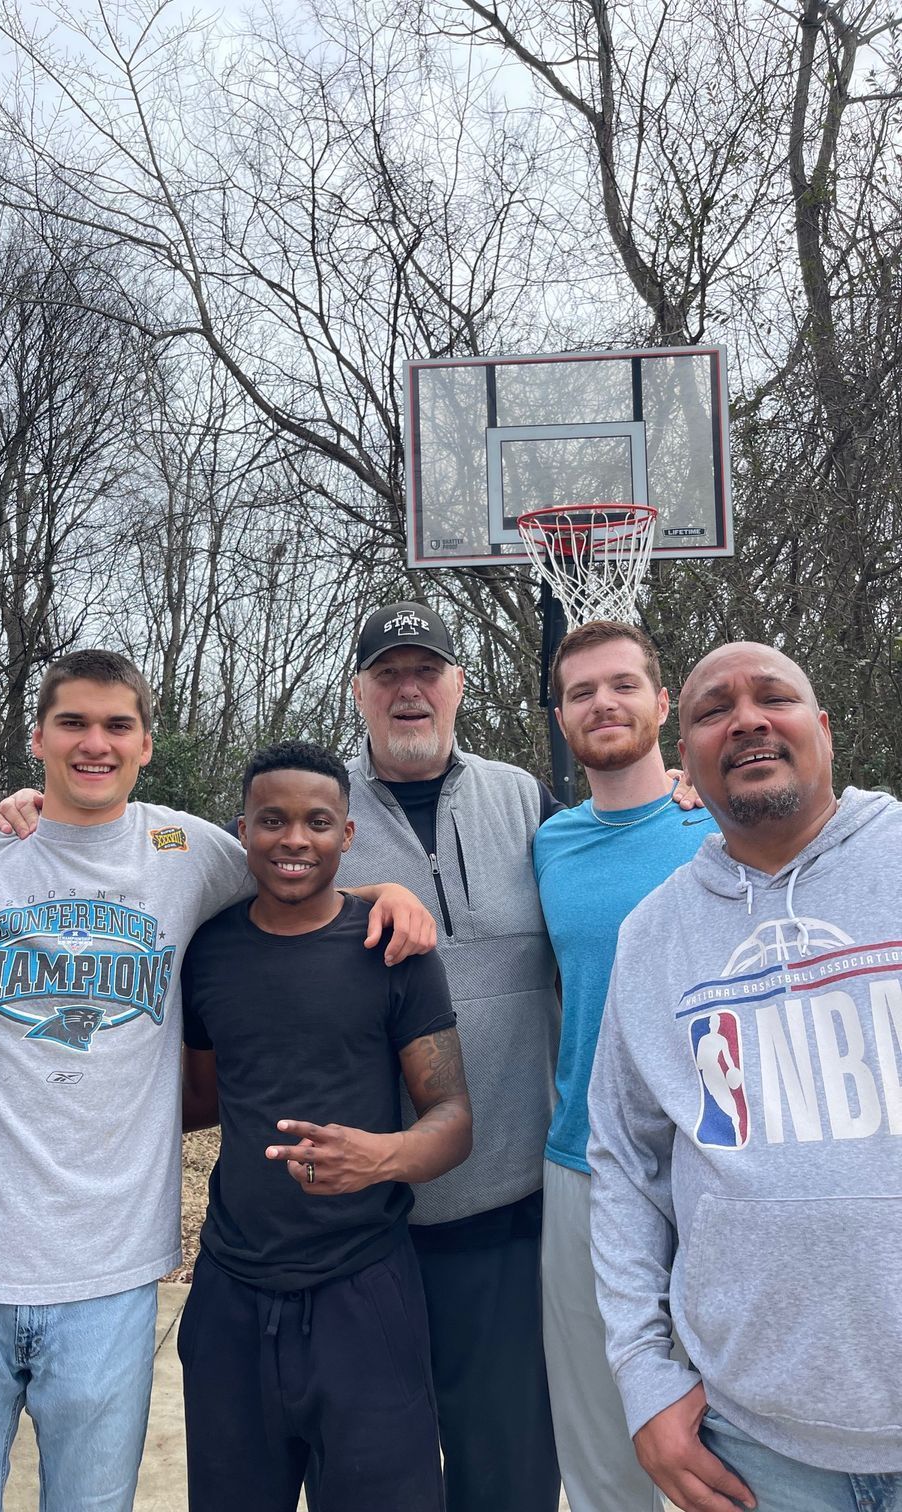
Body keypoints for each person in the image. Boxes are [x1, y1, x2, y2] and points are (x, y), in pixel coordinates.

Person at [0, 649, 435, 1512]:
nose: (95, 743)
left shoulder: (184, 850)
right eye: (73, 723)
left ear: (146, 743)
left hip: (112, 1269)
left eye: (117, 725)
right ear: (38, 736)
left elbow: (294, 867)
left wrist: (389, 892)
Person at [588, 641, 902, 1512]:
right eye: (713, 710)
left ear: (824, 729)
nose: (747, 719)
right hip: (752, 1447)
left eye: (774, 697)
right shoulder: (652, 935)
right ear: (683, 759)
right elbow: (623, 1161)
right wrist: (643, 1376)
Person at [179, 741, 472, 1511]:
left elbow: (453, 1120)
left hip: (363, 1293)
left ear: (346, 834)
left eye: (316, 822)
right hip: (232, 1298)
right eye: (272, 820)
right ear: (243, 830)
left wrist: (382, 1157)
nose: (294, 839)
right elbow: (198, 1099)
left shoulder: (392, 949)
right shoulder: (206, 951)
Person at [334, 600, 563, 1512]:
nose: (409, 689)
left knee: (506, 1475)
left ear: (458, 684)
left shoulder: (527, 801)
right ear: (359, 692)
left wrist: (680, 797)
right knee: (381, 1482)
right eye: (388, 673)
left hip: (509, 1210)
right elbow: (238, 893)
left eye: (426, 670)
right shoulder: (314, 807)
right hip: (366, 1224)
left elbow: (615, 858)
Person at [533, 619, 714, 1511]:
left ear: (663, 701)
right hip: (585, 1163)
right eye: (580, 692)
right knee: (603, 1442)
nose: (602, 703)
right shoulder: (548, 844)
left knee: (735, 1431)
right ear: (560, 716)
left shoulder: (722, 820)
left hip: (717, 1159)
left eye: (622, 685)